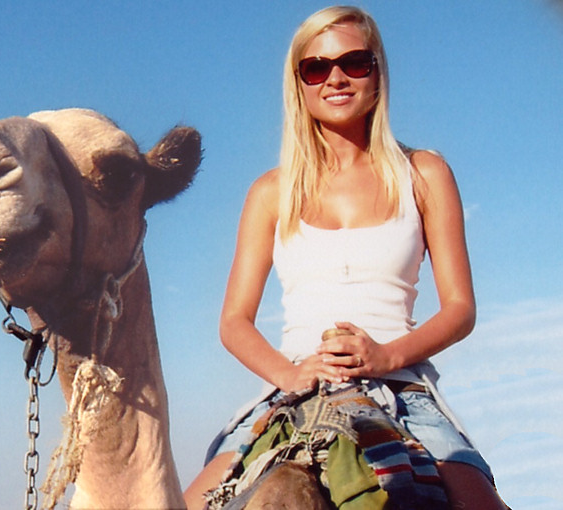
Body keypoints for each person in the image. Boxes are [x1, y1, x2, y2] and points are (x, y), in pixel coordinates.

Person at [185, 6, 507, 510]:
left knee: (478, 499)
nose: (336, 78)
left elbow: (460, 307)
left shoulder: (424, 173)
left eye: (355, 62)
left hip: (402, 388)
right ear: (300, 84)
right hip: (296, 385)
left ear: (377, 71)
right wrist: (290, 375)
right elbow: (234, 321)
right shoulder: (272, 192)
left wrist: (387, 356)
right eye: (316, 67)